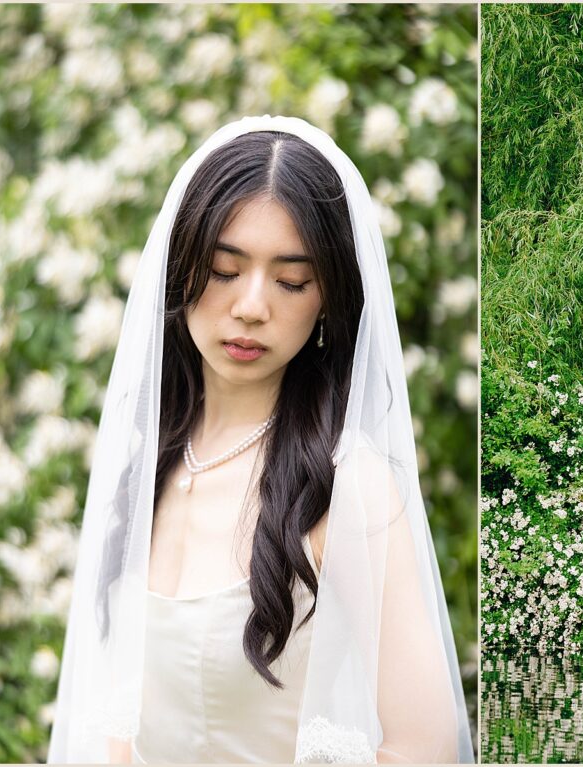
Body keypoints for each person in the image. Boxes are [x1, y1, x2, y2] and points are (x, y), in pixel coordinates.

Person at [47, 116, 473, 763]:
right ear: (181, 267)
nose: (251, 305)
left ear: (328, 296)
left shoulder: (345, 486)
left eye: (291, 280)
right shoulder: (149, 467)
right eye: (223, 269)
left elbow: (424, 747)